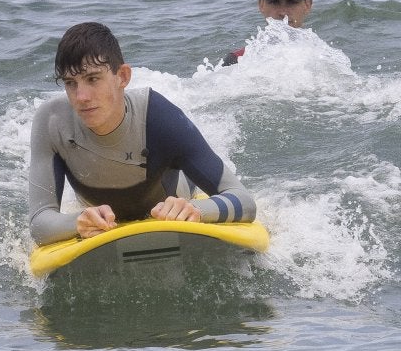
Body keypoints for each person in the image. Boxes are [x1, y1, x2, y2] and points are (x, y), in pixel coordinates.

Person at [28, 21, 257, 245]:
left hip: (173, 198)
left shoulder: (158, 116)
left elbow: (243, 200)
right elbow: (39, 223)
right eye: (70, 83)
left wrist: (196, 209)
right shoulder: (51, 121)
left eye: (93, 79)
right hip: (98, 217)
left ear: (123, 77)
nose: (81, 97)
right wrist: (77, 222)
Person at [220, 0, 314, 65]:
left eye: (292, 2)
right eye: (274, 2)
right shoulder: (237, 60)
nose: (283, 12)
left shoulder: (322, 58)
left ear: (307, 5)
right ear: (261, 5)